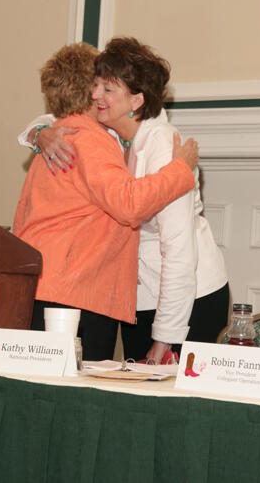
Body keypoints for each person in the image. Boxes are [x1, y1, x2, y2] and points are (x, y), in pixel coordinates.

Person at [23, 37, 229, 363]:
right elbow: (60, 120)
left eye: (107, 89)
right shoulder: (113, 137)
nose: (94, 95)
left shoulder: (162, 145)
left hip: (187, 300)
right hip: (141, 301)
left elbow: (178, 251)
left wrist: (166, 336)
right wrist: (38, 134)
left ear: (136, 100)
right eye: (95, 86)